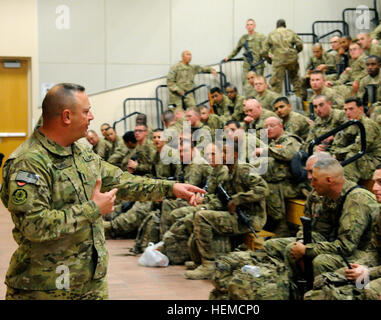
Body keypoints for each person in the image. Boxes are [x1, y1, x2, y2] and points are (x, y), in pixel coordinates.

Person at [0, 83, 206, 300]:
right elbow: (34, 225)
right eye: (87, 111)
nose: (91, 117)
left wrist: (170, 187)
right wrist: (93, 209)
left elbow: (122, 181)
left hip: (90, 282)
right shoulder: (29, 162)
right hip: (45, 287)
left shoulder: (79, 152)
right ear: (67, 116)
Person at [306, 162, 381, 300]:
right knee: (328, 280)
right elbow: (377, 251)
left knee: (366, 290)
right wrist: (362, 266)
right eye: (374, 182)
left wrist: (370, 272)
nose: (374, 188)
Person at [264, 157, 380, 289]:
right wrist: (302, 242)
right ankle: (296, 289)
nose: (311, 183)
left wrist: (307, 250)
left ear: (329, 180)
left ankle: (320, 292)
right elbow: (319, 231)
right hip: (338, 244)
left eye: (315, 179)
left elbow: (346, 246)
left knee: (322, 261)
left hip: (365, 252)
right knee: (292, 248)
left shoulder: (356, 200)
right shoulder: (328, 195)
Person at [184, 141, 268, 280]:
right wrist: (205, 205)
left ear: (234, 155)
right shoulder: (228, 173)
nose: (222, 155)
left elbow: (263, 189)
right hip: (235, 215)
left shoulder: (244, 170)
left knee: (202, 217)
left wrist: (239, 199)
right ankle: (200, 261)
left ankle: (209, 265)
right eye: (221, 152)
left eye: (225, 152)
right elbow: (221, 199)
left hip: (250, 218)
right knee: (198, 214)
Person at [255, 116, 306, 237]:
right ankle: (270, 223)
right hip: (282, 182)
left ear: (281, 126)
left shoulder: (290, 139)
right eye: (265, 127)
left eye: (271, 126)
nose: (268, 129)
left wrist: (264, 151)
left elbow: (288, 154)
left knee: (269, 187)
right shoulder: (274, 143)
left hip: (296, 184)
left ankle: (280, 226)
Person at [329, 97, 381, 183]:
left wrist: (338, 154)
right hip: (364, 159)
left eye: (351, 109)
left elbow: (358, 148)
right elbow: (336, 145)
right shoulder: (350, 124)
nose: (348, 112)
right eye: (345, 110)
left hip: (377, 162)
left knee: (351, 156)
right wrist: (335, 154)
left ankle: (348, 186)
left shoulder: (368, 125)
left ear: (360, 109)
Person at [261, 19, 304, 97]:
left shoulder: (272, 34)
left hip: (278, 61)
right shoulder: (291, 32)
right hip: (292, 59)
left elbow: (264, 51)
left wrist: (269, 60)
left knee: (276, 84)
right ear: (285, 25)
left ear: (276, 26)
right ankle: (301, 102)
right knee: (296, 80)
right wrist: (295, 53)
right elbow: (300, 44)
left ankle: (277, 104)